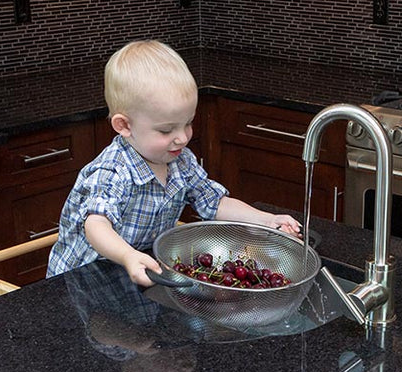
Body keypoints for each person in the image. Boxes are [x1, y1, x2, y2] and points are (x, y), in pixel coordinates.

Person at [47, 40, 301, 286]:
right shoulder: (112, 172)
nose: (182, 137)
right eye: (167, 130)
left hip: (136, 273)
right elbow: (96, 226)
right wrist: (128, 255)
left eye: (188, 122)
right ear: (124, 125)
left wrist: (265, 220)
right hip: (81, 282)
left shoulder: (180, 161)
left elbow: (214, 202)